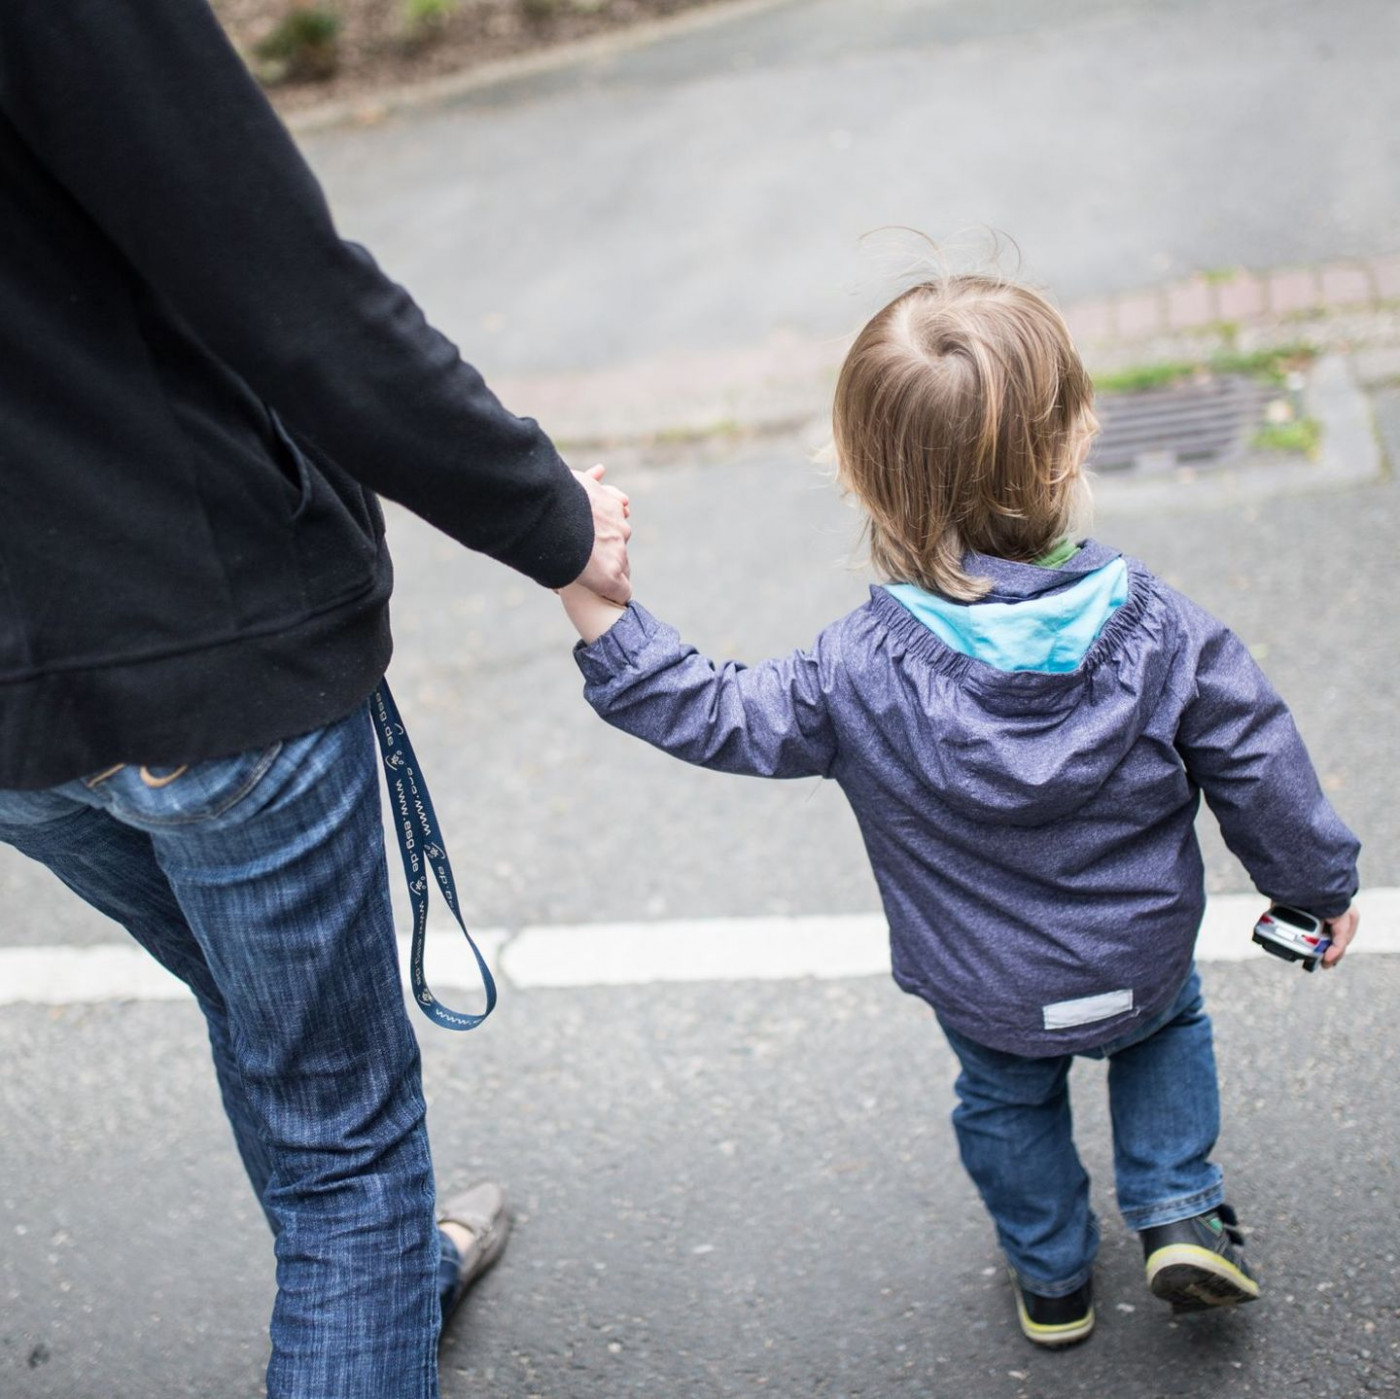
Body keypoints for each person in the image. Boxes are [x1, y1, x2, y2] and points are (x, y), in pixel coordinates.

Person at [0, 3, 629, 1396]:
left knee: (270, 1022)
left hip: (23, 722)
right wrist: (547, 516)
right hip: (193, 638)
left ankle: (390, 1275)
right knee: (342, 1139)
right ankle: (371, 1276)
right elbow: (286, 292)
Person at [557, 274, 1361, 1348]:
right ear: (1073, 442)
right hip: (1140, 954)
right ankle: (1176, 1205)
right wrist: (1314, 891)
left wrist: (590, 596)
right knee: (1167, 1035)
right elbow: (1261, 766)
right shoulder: (1165, 629)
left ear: (860, 475)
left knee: (1005, 1103)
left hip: (982, 986)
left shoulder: (852, 668)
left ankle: (1053, 1279)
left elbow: (714, 710)